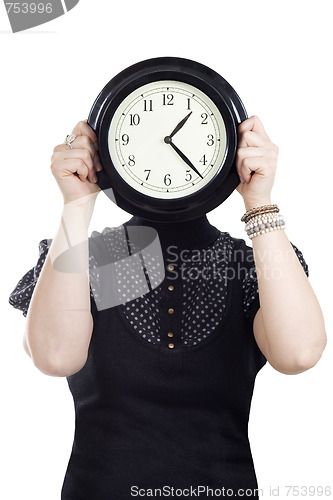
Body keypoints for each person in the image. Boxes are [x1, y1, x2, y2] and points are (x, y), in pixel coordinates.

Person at [9, 116, 327, 499]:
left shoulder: (246, 265)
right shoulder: (94, 261)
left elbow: (298, 354)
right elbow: (56, 357)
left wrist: (259, 202)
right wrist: (77, 204)